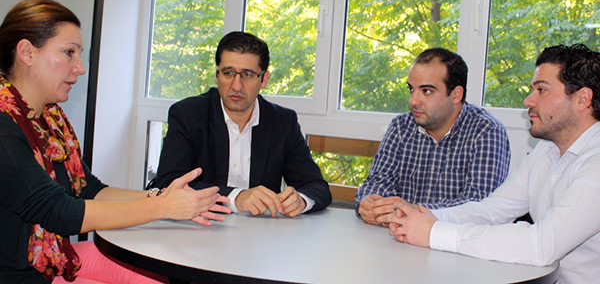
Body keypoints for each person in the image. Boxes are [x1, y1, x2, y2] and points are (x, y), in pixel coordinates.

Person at [0, 0, 232, 283]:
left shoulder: (50, 118)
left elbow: (89, 190)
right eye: (69, 52)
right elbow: (57, 212)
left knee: (158, 275)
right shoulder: (3, 123)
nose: (80, 67)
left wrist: (163, 196)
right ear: (26, 52)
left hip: (53, 259)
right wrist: (162, 208)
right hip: (17, 274)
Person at [387, 44, 600, 284]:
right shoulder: (547, 151)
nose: (528, 100)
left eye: (541, 90)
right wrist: (424, 216)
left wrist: (433, 232)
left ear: (583, 99)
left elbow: (542, 245)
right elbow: (491, 211)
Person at [155, 31, 331, 218]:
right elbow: (168, 182)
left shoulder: (283, 122)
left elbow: (317, 187)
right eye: (228, 73)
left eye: (247, 74)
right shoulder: (188, 114)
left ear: (264, 79)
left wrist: (301, 200)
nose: (236, 85)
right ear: (217, 76)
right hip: (200, 228)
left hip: (259, 236)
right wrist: (236, 197)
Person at [355, 47, 510, 226]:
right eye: (411, 89)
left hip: (454, 245)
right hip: (397, 240)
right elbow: (378, 181)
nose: (414, 101)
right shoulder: (401, 126)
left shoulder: (486, 131)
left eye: (426, 91)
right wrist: (370, 203)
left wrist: (415, 211)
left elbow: (479, 206)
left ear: (456, 95)